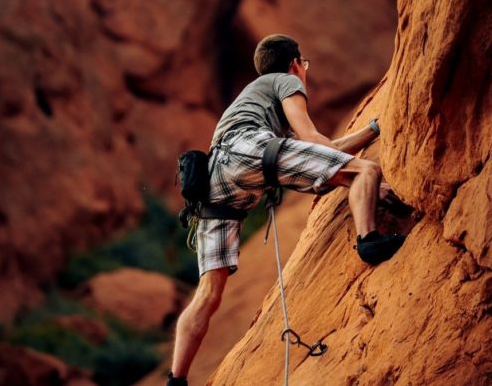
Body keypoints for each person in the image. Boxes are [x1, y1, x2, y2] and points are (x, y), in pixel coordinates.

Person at [166, 34, 405, 386]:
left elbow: (319, 154)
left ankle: (176, 378)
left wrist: (372, 130)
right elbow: (310, 136)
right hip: (252, 151)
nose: (304, 71)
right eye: (303, 65)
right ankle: (368, 239)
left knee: (209, 293)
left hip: (216, 181)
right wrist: (357, 169)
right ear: (295, 63)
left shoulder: (252, 103)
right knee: (366, 171)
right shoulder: (286, 80)